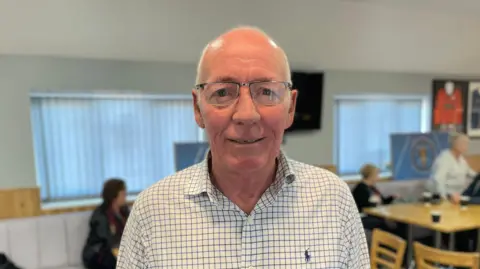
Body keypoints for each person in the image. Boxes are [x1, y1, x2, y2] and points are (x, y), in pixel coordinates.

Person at [116, 26, 370, 268]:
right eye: (223, 92)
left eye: (267, 92)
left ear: (291, 108)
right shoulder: (151, 212)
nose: (247, 114)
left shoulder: (334, 201)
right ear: (197, 108)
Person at [82, 178, 130, 269]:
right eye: (123, 193)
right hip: (98, 253)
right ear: (114, 196)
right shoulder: (100, 214)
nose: (125, 196)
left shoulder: (125, 211)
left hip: (118, 251)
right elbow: (107, 240)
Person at [352, 164, 403, 236]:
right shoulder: (360, 189)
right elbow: (363, 206)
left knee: (398, 223)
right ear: (371, 175)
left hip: (376, 214)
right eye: (377, 174)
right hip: (364, 217)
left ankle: (401, 242)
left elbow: (382, 201)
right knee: (382, 224)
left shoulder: (372, 188)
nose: (378, 177)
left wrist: (391, 197)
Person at [428, 132, 476, 200]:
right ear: (454, 143)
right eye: (463, 143)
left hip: (458, 196)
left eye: (467, 143)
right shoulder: (445, 158)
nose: (466, 146)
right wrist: (444, 197)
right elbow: (438, 180)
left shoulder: (461, 159)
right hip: (444, 197)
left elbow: (472, 174)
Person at [453, 174, 480, 251]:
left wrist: (465, 199)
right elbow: (468, 190)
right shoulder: (478, 176)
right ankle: (462, 255)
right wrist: (460, 197)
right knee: (459, 226)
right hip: (470, 213)